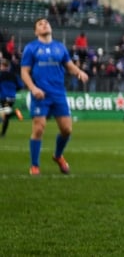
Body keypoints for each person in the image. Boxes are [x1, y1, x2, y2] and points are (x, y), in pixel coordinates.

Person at [20, 18, 88, 175]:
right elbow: (24, 72)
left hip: (58, 94)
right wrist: (33, 88)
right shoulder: (31, 48)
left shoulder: (60, 47)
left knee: (67, 130)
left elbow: (69, 66)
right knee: (38, 128)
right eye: (40, 24)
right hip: (40, 94)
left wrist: (79, 72)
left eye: (46, 23)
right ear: (36, 31)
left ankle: (58, 156)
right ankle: (35, 165)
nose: (44, 24)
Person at [0, 58, 24, 137]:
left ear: (3, 66)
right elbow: (21, 86)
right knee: (5, 115)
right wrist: (13, 90)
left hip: (4, 97)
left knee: (5, 115)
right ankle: (3, 134)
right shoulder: (14, 75)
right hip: (12, 97)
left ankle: (15, 113)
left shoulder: (1, 75)